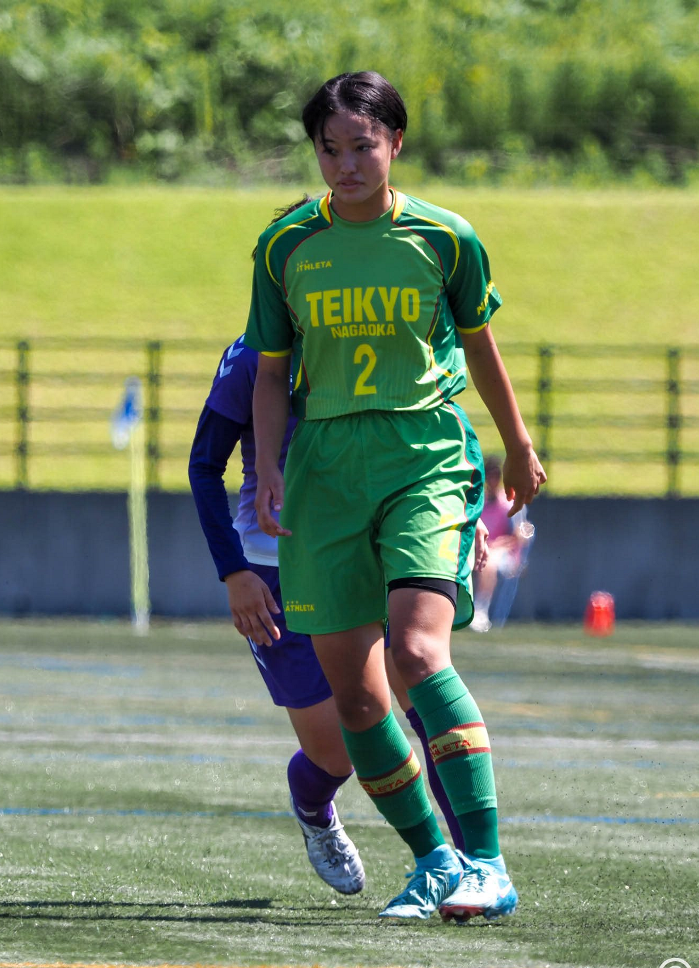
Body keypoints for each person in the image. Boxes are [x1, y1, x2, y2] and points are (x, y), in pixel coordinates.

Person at [244, 72, 546, 921]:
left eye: (362, 145)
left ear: (395, 144)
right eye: (329, 149)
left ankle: (488, 862)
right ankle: (435, 861)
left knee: (416, 655)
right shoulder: (285, 246)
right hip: (325, 470)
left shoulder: (446, 239)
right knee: (358, 696)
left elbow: (482, 347)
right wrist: (268, 466)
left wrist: (517, 445)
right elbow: (271, 374)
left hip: (423, 453)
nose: (345, 164)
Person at [189, 287, 483, 889]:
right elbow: (203, 463)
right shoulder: (252, 358)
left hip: (365, 547)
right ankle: (314, 811)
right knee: (339, 750)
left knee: (421, 691)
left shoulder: (372, 334)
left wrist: (460, 512)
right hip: (276, 568)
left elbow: (431, 422)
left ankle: (469, 866)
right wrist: (234, 571)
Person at [470, 453, 533, 632]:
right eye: (489, 475)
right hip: (477, 549)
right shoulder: (477, 501)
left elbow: (520, 536)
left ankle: (480, 609)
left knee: (489, 563)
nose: (492, 479)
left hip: (505, 555)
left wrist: (497, 545)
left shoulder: (509, 502)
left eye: (496, 475)